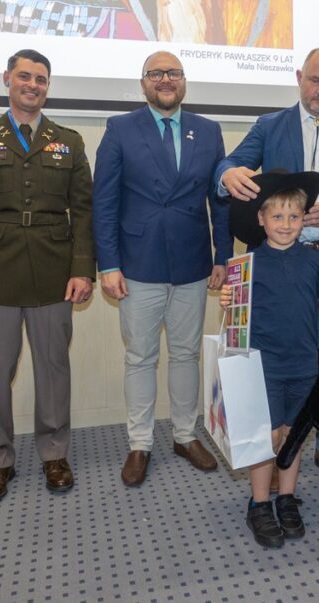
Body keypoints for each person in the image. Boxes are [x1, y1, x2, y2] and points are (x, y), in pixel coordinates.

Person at [216, 47, 319, 490]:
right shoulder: (269, 126)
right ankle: (274, 456)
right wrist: (228, 175)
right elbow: (229, 163)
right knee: (274, 366)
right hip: (272, 268)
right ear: (299, 77)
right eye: (314, 80)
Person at [0, 49, 94, 503]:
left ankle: (54, 453)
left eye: (42, 79)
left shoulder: (68, 141)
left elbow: (85, 212)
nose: (33, 85)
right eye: (25, 77)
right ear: (7, 78)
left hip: (54, 271)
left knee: (54, 367)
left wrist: (81, 269)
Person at [92, 50, 232, 487]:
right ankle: (140, 443)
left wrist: (222, 256)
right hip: (138, 263)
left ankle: (186, 435)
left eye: (173, 73)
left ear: (184, 80)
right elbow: (104, 202)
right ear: (144, 83)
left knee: (187, 354)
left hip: (192, 262)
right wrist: (108, 263)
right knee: (140, 357)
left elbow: (220, 203)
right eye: (156, 74)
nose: (165, 80)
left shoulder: (208, 131)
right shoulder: (120, 129)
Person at [222, 171, 319, 548]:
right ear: (260, 219)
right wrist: (229, 305)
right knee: (266, 439)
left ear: (303, 219)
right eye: (277, 217)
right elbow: (235, 326)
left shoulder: (314, 262)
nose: (285, 224)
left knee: (293, 437)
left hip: (303, 367)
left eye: (294, 217)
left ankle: (287, 497)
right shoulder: (244, 265)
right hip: (261, 368)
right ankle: (260, 503)